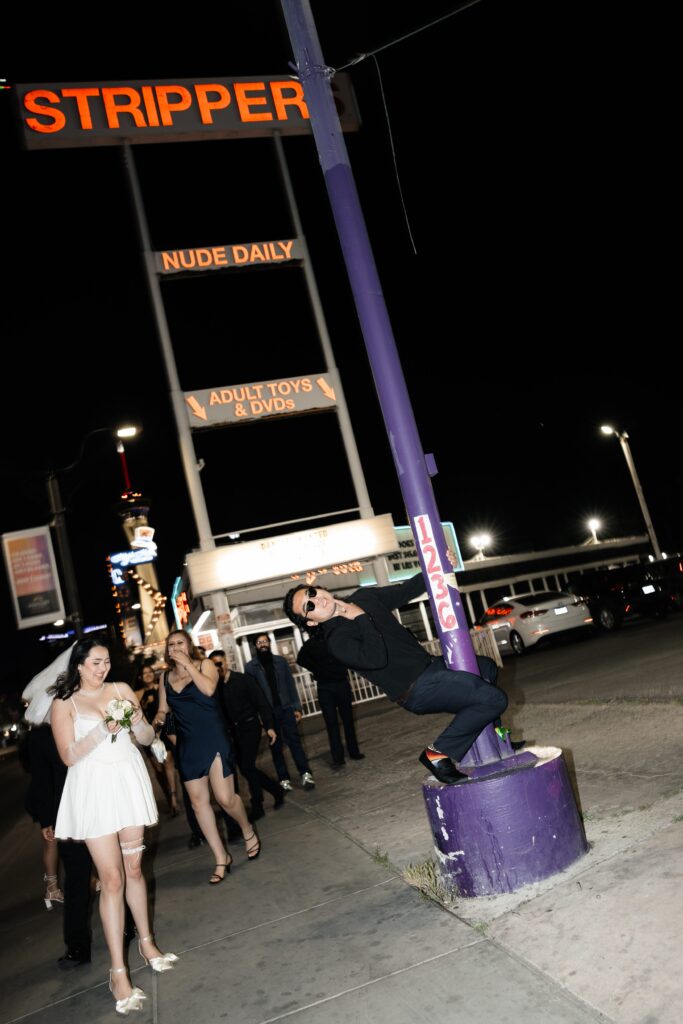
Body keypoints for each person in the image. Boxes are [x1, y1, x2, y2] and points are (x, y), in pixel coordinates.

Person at [283, 568, 508, 785]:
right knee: (493, 699)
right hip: (416, 689)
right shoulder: (336, 641)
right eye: (308, 606)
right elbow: (376, 659)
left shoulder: (364, 597)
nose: (317, 600)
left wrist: (437, 565)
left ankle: (496, 737)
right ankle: (437, 754)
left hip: (433, 665)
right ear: (311, 621)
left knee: (486, 668)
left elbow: (407, 590)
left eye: (312, 593)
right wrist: (360, 618)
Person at [50, 637, 176, 1015]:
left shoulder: (122, 689)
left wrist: (138, 722)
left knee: (135, 868)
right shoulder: (65, 704)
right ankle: (118, 972)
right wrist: (101, 728)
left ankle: (147, 943)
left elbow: (148, 740)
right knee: (112, 878)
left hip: (127, 779)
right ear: (79, 666)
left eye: (105, 662)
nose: (101, 668)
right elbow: (69, 756)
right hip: (93, 790)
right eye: (94, 663)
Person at [154, 630, 260, 881]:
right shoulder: (164, 677)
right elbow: (162, 709)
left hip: (213, 737)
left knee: (225, 798)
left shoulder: (205, 664)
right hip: (188, 744)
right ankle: (220, 857)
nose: (176, 646)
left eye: (181, 642)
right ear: (167, 650)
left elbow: (210, 689)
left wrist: (189, 665)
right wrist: (155, 723)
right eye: (171, 644)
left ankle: (247, 829)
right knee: (198, 803)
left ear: (189, 645)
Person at [209, 649, 284, 820]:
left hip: (250, 727)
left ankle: (257, 804)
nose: (218, 667)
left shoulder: (243, 680)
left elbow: (261, 703)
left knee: (247, 766)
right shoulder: (214, 688)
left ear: (226, 662)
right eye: (214, 665)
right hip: (231, 733)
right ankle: (275, 789)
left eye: (219, 663)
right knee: (245, 768)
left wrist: (269, 726)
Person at [244, 634, 316, 792]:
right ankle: (284, 779)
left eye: (265, 641)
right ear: (255, 646)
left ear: (269, 644)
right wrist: (260, 716)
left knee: (295, 742)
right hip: (268, 713)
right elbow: (252, 695)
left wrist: (296, 707)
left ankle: (305, 774)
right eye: (259, 642)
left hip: (286, 708)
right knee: (275, 747)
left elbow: (290, 685)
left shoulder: (280, 662)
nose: (263, 644)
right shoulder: (250, 667)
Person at [296, 634, 364, 767]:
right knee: (331, 723)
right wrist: (316, 668)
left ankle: (354, 751)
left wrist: (342, 664)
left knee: (348, 720)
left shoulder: (336, 638)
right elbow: (300, 659)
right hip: (325, 687)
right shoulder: (310, 643)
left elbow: (348, 652)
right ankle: (338, 757)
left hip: (341, 683)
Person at [134, 664, 180, 817]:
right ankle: (168, 796)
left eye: (149, 672)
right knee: (158, 770)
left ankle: (174, 799)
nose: (147, 675)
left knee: (168, 763)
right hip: (147, 735)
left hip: (164, 731)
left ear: (153, 674)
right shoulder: (137, 694)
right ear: (140, 677)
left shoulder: (161, 688)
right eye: (144, 673)